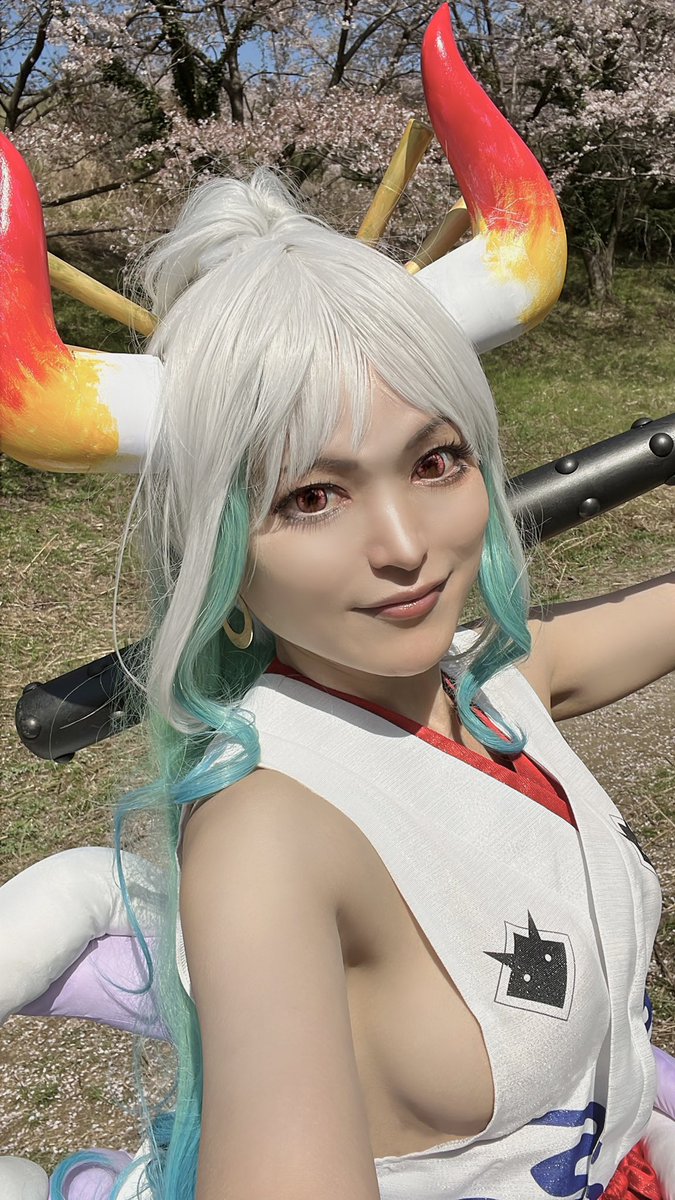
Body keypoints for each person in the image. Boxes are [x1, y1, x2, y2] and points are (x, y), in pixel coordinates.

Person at [0, 7, 673, 1200]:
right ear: (219, 550)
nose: (407, 548)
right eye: (311, 497)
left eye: (436, 461)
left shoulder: (484, 687)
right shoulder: (267, 841)